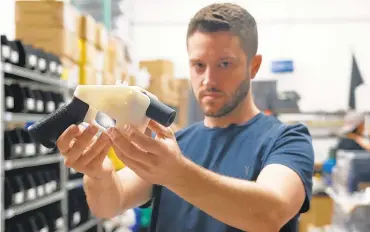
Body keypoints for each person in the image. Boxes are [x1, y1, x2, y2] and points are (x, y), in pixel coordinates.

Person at [56, 3, 315, 232]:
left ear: (253, 66)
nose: (209, 80)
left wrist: (175, 173)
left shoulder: (286, 140)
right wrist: (98, 173)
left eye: (224, 64)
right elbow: (109, 204)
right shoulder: (176, 144)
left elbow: (269, 215)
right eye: (199, 65)